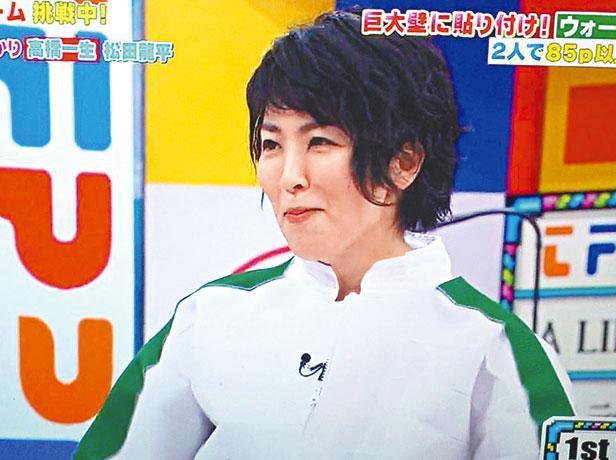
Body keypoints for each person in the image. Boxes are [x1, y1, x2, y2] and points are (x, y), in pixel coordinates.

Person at [74, 9, 574, 460]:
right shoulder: (209, 316)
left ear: (404, 162)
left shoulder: (495, 350)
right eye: (271, 144)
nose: (290, 177)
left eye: (320, 142)